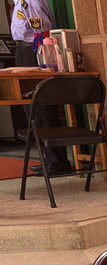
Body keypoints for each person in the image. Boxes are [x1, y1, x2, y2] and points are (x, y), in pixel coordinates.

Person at [10, 0, 73, 175]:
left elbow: (41, 28)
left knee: (40, 106)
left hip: (33, 50)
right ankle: (50, 159)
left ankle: (57, 161)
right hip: (24, 50)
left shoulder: (29, 1)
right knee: (32, 107)